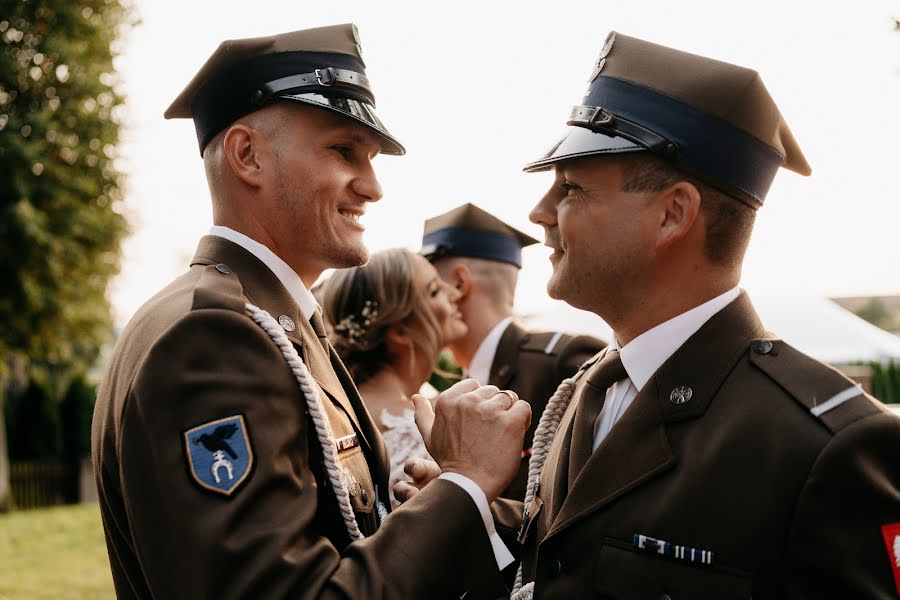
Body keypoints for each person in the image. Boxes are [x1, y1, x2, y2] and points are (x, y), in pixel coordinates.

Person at [90, 24, 530, 599]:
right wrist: (466, 484)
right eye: (344, 151)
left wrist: (427, 513)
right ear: (247, 156)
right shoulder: (213, 334)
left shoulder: (271, 321)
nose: (372, 187)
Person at [503, 31, 900, 598]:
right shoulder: (589, 390)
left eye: (571, 188)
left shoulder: (824, 445)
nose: (540, 213)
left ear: (673, 215)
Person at [420, 203, 605, 501]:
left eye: (427, 287)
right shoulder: (462, 382)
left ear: (459, 283)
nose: (415, 304)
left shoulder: (562, 361)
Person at [318, 247, 467, 506]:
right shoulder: (413, 432)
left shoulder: (345, 403)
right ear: (400, 331)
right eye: (434, 291)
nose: (454, 294)